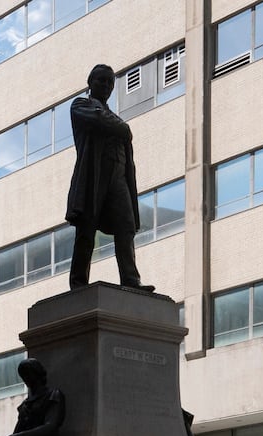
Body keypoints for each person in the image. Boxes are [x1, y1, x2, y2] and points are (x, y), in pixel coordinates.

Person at [65, 63, 153, 292]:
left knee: (126, 225)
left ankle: (131, 280)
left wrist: (122, 128)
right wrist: (122, 127)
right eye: (100, 80)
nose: (105, 85)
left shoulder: (112, 116)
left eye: (109, 82)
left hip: (118, 177)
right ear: (90, 83)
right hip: (94, 175)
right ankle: (78, 284)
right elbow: (99, 119)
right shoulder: (81, 105)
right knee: (86, 230)